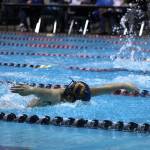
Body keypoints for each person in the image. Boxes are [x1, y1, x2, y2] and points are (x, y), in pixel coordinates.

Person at [10, 80, 139, 107]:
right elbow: (45, 91)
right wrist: (31, 90)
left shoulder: (85, 94)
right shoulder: (56, 96)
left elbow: (112, 86)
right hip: (26, 109)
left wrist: (127, 86)